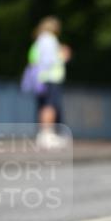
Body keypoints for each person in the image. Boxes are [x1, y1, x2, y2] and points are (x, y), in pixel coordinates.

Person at [28, 16, 71, 148]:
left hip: (41, 79)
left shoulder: (39, 40)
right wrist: (63, 56)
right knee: (50, 106)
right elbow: (49, 60)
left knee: (43, 106)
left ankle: (44, 134)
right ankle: (47, 135)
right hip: (50, 78)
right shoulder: (50, 40)